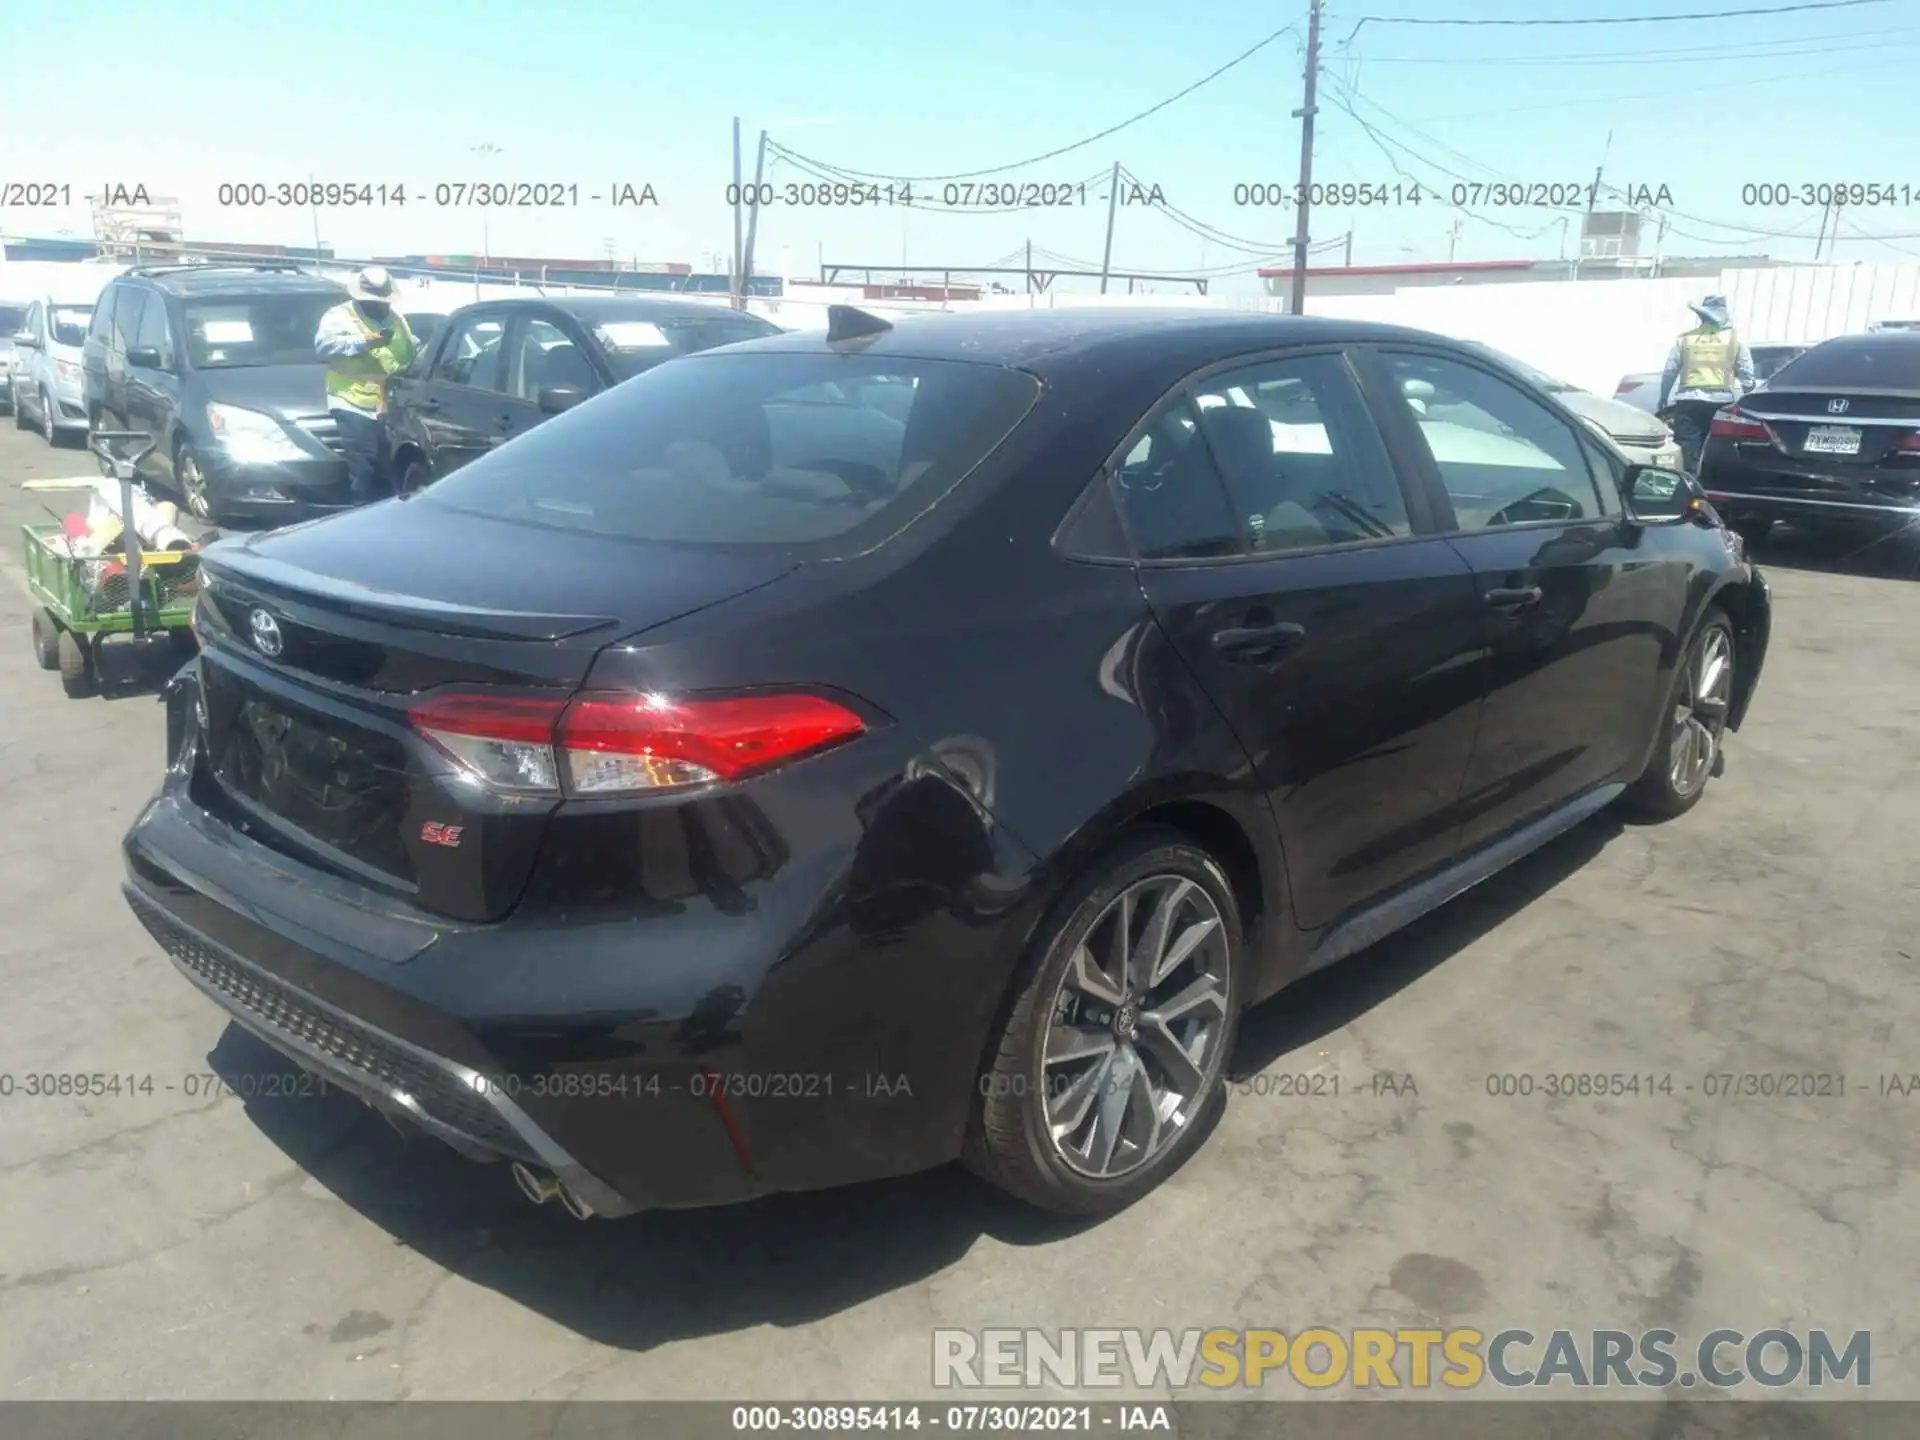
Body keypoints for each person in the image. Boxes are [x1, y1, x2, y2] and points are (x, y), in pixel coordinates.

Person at [314, 266, 418, 503]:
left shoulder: (396, 319)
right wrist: (365, 342)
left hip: (390, 403)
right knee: (365, 467)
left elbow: (409, 349)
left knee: (389, 469)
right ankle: (359, 513)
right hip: (352, 400)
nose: (380, 305)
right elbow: (324, 346)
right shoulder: (339, 316)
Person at [1658, 294, 1755, 475]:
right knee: (1717, 452)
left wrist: (1663, 397)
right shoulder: (1734, 339)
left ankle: (1690, 488)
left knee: (1689, 452)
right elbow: (1747, 375)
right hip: (1721, 403)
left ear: (1701, 315)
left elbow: (1670, 371)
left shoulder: (1685, 339)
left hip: (1689, 402)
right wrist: (1749, 397)